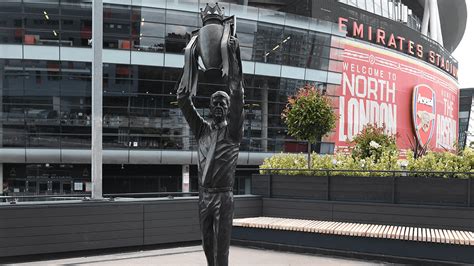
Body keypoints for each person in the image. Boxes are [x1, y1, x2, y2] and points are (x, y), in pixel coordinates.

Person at [177, 35, 244, 266]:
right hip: (204, 196)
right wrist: (190, 61)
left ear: (228, 110)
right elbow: (183, 99)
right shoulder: (201, 131)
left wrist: (233, 59)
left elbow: (237, 95)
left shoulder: (233, 132)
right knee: (207, 247)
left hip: (223, 197)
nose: (219, 106)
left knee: (221, 251)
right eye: (215, 103)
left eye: (223, 104)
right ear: (209, 107)